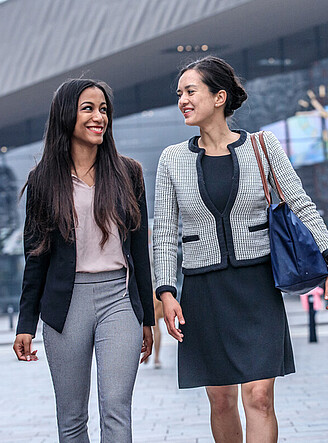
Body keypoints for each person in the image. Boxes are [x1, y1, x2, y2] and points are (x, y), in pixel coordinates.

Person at [152, 56, 328, 442]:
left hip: (257, 286)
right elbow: (164, 232)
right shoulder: (172, 160)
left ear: (219, 97)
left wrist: (327, 258)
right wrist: (166, 290)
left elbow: (300, 204)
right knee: (221, 401)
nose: (182, 99)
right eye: (179, 93)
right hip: (203, 290)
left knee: (260, 396)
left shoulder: (263, 147)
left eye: (190, 91)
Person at [13, 78, 154, 443]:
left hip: (119, 301)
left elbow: (140, 248)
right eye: (88, 108)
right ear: (65, 115)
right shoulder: (44, 181)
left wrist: (147, 319)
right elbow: (36, 257)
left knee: (116, 409)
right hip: (66, 303)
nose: (99, 117)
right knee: (72, 418)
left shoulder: (128, 173)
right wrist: (25, 324)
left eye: (103, 109)